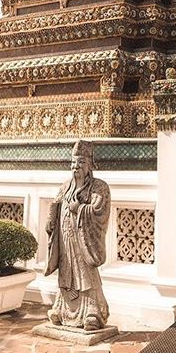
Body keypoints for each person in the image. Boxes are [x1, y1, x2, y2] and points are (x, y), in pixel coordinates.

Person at [45, 139, 111, 331]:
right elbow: (56, 203)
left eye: (81, 162)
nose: (76, 167)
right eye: (74, 163)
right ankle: (62, 308)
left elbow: (99, 209)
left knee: (85, 272)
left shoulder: (99, 187)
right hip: (65, 237)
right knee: (67, 271)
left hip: (84, 239)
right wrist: (51, 219)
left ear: (90, 164)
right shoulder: (66, 186)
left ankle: (93, 311)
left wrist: (80, 208)